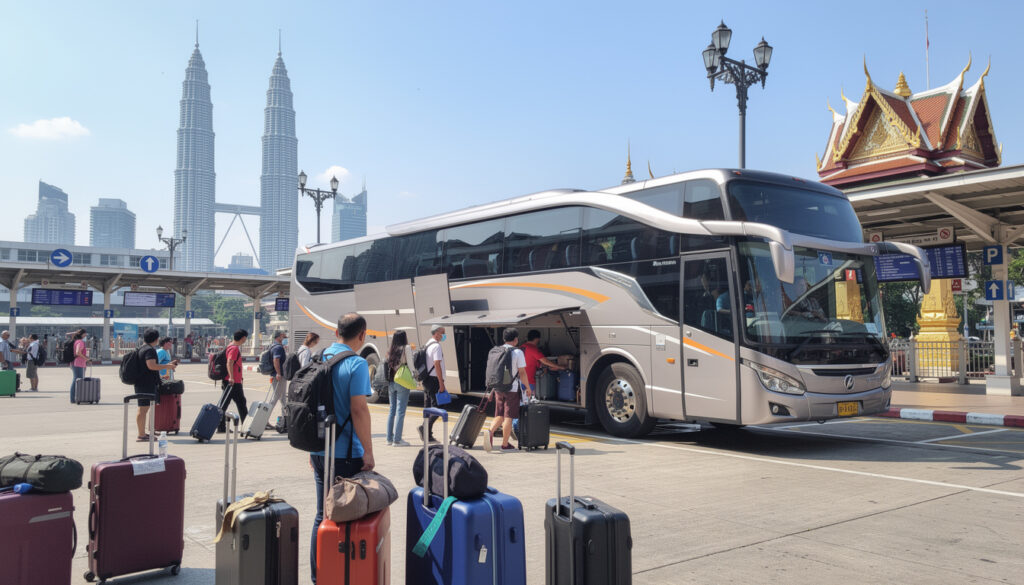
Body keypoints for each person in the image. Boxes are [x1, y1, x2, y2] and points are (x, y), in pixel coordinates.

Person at [309, 313, 375, 584]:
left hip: (318, 450)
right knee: (347, 514)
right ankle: (345, 575)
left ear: (337, 332)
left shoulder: (318, 358)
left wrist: (313, 450)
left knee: (321, 514)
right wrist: (368, 452)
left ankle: (319, 575)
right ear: (361, 335)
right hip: (346, 453)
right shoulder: (356, 363)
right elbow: (359, 409)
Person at [488, 328, 531, 451]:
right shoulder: (517, 352)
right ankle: (505, 444)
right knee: (508, 417)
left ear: (504, 339)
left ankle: (490, 431)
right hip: (512, 388)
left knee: (499, 414)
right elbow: (522, 373)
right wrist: (527, 388)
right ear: (516, 339)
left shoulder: (496, 350)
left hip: (498, 388)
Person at [135, 329, 177, 441]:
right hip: (146, 383)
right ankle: (141, 435)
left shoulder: (141, 349)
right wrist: (167, 366)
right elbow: (152, 366)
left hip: (141, 382)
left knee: (143, 408)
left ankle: (143, 433)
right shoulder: (150, 350)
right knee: (143, 409)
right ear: (156, 339)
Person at [384, 330, 415, 447]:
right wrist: (415, 377)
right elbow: (411, 365)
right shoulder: (406, 348)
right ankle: (397, 440)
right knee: (400, 411)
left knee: (392, 411)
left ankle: (389, 439)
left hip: (391, 382)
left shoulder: (391, 349)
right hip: (401, 381)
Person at [419, 324, 447, 443]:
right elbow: (437, 364)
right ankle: (424, 428)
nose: (444, 335)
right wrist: (441, 383)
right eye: (442, 332)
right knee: (438, 407)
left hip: (426, 379)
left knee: (428, 407)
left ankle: (427, 434)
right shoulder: (436, 346)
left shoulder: (427, 344)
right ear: (436, 333)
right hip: (434, 379)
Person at [219, 329, 249, 432]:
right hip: (232, 382)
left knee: (225, 404)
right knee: (240, 403)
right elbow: (229, 362)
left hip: (232, 380)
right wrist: (232, 377)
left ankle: (221, 427)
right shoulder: (234, 348)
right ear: (243, 338)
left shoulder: (230, 346)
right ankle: (245, 426)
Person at [267, 330, 288, 421]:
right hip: (279, 376)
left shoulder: (273, 346)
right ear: (278, 337)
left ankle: (285, 419)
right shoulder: (278, 348)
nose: (284, 339)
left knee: (283, 398)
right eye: (283, 337)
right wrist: (278, 373)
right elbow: (276, 360)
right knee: (275, 398)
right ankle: (264, 419)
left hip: (277, 375)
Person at [69, 329, 89, 403]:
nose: (86, 335)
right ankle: (72, 399)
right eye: (85, 334)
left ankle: (76, 397)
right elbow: (78, 352)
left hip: (77, 363)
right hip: (78, 363)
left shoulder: (77, 341)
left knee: (77, 380)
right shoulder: (80, 342)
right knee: (76, 380)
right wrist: (86, 359)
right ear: (82, 334)